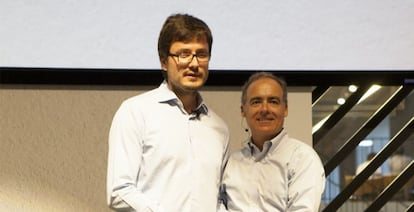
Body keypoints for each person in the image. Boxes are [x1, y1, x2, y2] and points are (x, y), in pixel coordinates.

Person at [107, 13, 230, 212]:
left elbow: (218, 199)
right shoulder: (135, 112)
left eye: (201, 54)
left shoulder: (219, 128)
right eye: (184, 54)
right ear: (164, 62)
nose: (194, 63)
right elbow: (119, 191)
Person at [219, 72, 326, 211]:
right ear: (243, 111)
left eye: (273, 101)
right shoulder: (231, 163)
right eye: (256, 102)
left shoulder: (303, 158)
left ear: (285, 109)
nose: (264, 109)